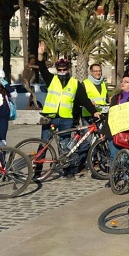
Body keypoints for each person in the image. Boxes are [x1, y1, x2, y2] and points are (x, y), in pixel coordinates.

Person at [36, 41, 99, 179]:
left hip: (66, 119)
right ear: (57, 70)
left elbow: (84, 100)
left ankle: (68, 171)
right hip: (50, 117)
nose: (62, 72)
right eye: (60, 70)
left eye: (65, 70)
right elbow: (41, 68)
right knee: (44, 144)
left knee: (65, 147)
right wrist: (40, 55)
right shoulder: (51, 80)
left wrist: (94, 111)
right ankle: (37, 171)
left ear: (69, 69)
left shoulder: (75, 83)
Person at [79, 63, 109, 169]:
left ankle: (95, 161)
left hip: (101, 115)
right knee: (87, 139)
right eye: (95, 71)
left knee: (99, 139)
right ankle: (80, 162)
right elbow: (81, 99)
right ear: (91, 72)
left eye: (99, 70)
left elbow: (105, 99)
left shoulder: (103, 84)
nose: (97, 73)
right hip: (88, 115)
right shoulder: (85, 84)